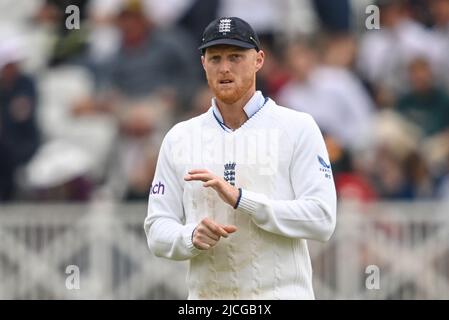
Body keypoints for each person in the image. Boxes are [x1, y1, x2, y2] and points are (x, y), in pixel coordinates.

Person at [144, 17, 337, 299]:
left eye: (235, 57)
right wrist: (190, 237)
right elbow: (156, 228)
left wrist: (242, 200)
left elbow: (322, 219)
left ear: (259, 60)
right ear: (203, 64)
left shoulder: (298, 127)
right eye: (215, 58)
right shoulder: (179, 137)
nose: (224, 68)